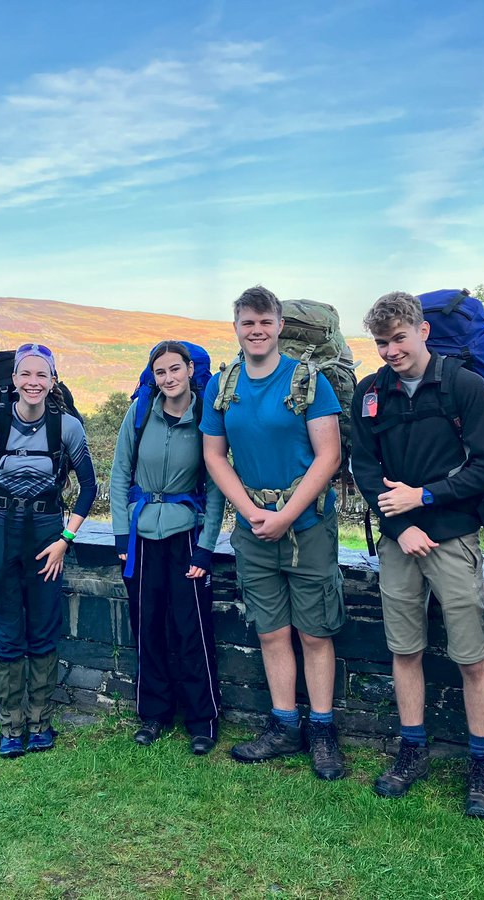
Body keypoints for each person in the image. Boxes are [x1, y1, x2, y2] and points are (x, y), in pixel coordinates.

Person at [348, 291, 484, 817]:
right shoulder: (370, 393)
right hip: (400, 541)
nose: (391, 350)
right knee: (404, 648)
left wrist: (425, 498)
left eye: (398, 338)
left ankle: (483, 764)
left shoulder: (466, 387)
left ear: (423, 332)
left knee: (471, 656)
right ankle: (412, 749)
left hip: (454, 535)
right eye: (381, 342)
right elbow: (365, 468)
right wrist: (400, 521)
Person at [200, 285, 347, 780]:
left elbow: (329, 455)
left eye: (265, 322)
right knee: (271, 631)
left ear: (280, 325)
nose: (257, 330)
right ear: (236, 327)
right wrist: (249, 511)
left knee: (315, 632)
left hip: (307, 526)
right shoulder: (223, 386)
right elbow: (214, 456)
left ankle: (322, 731)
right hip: (252, 527)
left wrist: (285, 515)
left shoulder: (308, 380)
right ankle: (284, 725)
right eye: (247, 322)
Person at [0, 343, 97, 758]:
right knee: (6, 626)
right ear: (15, 380)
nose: (34, 382)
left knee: (42, 625)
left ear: (53, 380)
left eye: (42, 375)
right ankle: (11, 725)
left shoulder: (68, 427)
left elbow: (90, 487)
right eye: (26, 375)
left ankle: (40, 722)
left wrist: (65, 541)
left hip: (45, 532)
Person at [110, 341, 225, 754]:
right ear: (152, 376)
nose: (168, 378)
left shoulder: (207, 417)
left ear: (191, 370)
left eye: (175, 369)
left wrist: (206, 548)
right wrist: (122, 536)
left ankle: (203, 718)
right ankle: (153, 715)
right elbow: (120, 473)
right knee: (148, 626)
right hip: (142, 538)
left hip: (186, 535)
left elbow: (215, 488)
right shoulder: (140, 413)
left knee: (191, 628)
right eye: (160, 372)